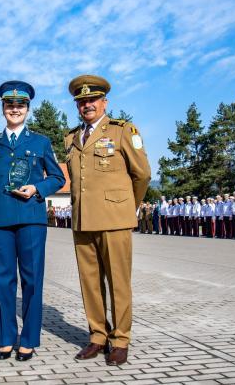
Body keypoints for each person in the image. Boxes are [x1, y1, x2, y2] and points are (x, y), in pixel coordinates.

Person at [64, 74, 151, 366]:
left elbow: (142, 174)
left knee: (118, 283)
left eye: (92, 100)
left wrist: (128, 207)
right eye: (82, 101)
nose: (87, 105)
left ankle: (121, 339)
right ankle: (98, 336)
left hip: (114, 221)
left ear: (104, 102)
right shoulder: (72, 138)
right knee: (90, 283)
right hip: (83, 221)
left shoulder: (123, 131)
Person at [0, 80, 64, 361]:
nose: (15, 109)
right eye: (10, 105)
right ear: (3, 108)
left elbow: (58, 178)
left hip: (31, 220)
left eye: (21, 105)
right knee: (2, 281)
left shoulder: (40, 142)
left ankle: (28, 340)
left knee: (32, 280)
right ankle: (5, 338)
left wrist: (38, 188)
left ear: (27, 109)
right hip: (0, 221)